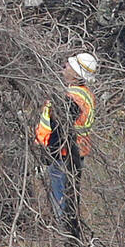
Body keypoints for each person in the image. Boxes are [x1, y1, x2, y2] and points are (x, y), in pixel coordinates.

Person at [35, 53, 98, 225]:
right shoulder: (84, 94)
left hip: (63, 156)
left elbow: (61, 130)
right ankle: (70, 236)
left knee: (61, 204)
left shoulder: (72, 98)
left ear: (77, 74)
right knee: (69, 201)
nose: (65, 66)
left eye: (70, 65)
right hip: (74, 155)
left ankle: (65, 238)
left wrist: (49, 156)